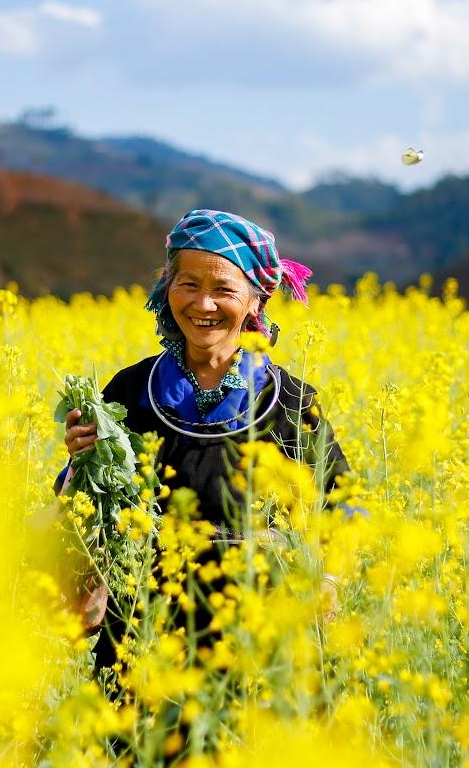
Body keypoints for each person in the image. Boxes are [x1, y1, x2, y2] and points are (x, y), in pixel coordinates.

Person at [57, 208, 351, 676]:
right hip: (144, 635)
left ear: (255, 302)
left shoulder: (291, 404)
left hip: (260, 640)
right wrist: (82, 459)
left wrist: (329, 580)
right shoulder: (130, 393)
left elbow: (343, 503)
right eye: (188, 284)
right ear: (166, 288)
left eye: (223, 290)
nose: (204, 304)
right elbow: (87, 504)